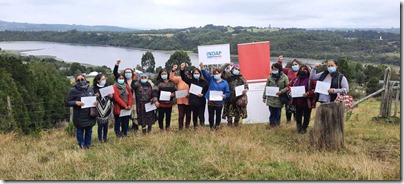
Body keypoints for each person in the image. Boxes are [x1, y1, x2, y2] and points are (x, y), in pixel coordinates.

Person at [64, 74, 96, 149]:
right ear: (75, 81)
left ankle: (88, 145)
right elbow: (67, 101)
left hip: (89, 114)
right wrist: (75, 102)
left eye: (82, 79)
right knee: (80, 131)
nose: (80, 81)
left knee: (89, 130)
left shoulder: (90, 88)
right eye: (78, 80)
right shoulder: (73, 90)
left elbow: (93, 98)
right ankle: (81, 145)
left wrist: (95, 102)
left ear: (85, 79)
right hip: (79, 116)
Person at [200, 62, 230, 130]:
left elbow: (227, 92)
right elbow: (206, 75)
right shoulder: (211, 79)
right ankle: (211, 127)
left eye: (218, 73)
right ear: (213, 74)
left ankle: (217, 126)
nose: (216, 75)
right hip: (211, 101)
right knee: (211, 115)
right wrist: (202, 68)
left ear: (221, 74)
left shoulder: (225, 83)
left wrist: (224, 95)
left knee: (218, 115)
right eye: (215, 74)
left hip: (220, 102)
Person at [287, 65, 316, 134]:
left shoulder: (311, 80)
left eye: (305, 69)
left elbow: (316, 89)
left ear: (308, 71)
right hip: (297, 101)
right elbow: (289, 86)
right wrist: (290, 91)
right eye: (301, 69)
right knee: (298, 115)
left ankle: (304, 128)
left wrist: (308, 93)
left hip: (307, 101)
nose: (303, 71)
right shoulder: (296, 78)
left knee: (306, 116)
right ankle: (299, 128)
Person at [179, 63, 209, 129]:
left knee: (201, 115)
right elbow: (183, 77)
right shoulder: (190, 81)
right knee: (194, 115)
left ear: (200, 74)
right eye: (195, 73)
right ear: (193, 74)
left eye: (197, 73)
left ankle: (202, 126)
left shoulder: (204, 82)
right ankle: (195, 127)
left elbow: (207, 90)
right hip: (193, 101)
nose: (196, 75)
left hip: (201, 101)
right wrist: (182, 69)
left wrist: (203, 94)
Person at [113, 59, 139, 133]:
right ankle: (121, 131)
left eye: (129, 72)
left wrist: (134, 79)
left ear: (132, 73)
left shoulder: (135, 80)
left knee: (133, 116)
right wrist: (117, 64)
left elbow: (134, 88)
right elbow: (115, 73)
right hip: (122, 102)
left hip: (133, 101)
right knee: (121, 118)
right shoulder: (122, 81)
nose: (128, 73)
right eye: (126, 72)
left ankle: (134, 128)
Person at [220, 63, 248, 127]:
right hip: (229, 97)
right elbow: (220, 70)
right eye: (235, 69)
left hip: (238, 98)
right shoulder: (227, 75)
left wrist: (245, 90)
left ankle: (236, 124)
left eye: (238, 69)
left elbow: (246, 86)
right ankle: (229, 124)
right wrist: (226, 64)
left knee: (237, 112)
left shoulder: (241, 77)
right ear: (232, 69)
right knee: (229, 112)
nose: (237, 70)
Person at [262, 63, 289, 128]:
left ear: (279, 69)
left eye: (276, 69)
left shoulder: (284, 77)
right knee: (272, 113)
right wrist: (264, 97)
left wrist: (281, 92)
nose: (274, 70)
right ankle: (271, 124)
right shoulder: (270, 77)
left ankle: (277, 125)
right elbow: (266, 86)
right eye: (273, 69)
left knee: (278, 113)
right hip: (271, 98)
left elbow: (288, 87)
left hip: (279, 98)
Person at [278, 56, 302, 123]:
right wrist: (280, 61)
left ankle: (296, 122)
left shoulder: (302, 72)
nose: (294, 66)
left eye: (296, 64)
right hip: (289, 93)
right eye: (293, 65)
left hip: (298, 93)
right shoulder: (289, 71)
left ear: (299, 65)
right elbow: (280, 69)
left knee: (297, 108)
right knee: (288, 107)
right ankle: (288, 121)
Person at [93, 74, 114, 142]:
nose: (104, 80)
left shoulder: (107, 87)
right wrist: (95, 96)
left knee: (106, 124)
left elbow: (112, 98)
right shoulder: (94, 88)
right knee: (100, 125)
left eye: (105, 79)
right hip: (99, 108)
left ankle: (105, 138)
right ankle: (100, 139)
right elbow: (91, 99)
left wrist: (111, 96)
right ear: (98, 80)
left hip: (107, 107)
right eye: (102, 79)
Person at [170, 64, 191, 130]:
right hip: (181, 100)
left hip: (189, 100)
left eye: (188, 74)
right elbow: (172, 78)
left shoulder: (191, 80)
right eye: (186, 73)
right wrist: (173, 70)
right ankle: (180, 128)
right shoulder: (180, 79)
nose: (187, 75)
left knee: (188, 115)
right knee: (181, 115)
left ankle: (187, 127)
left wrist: (190, 94)